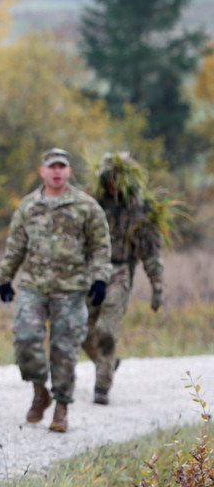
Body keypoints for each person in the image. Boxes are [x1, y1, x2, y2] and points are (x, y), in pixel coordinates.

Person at [0, 148, 111, 432]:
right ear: (43, 171)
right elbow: (15, 248)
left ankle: (61, 406)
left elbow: (100, 247)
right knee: (25, 339)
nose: (57, 172)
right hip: (34, 286)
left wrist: (100, 279)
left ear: (69, 171)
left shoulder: (86, 206)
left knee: (65, 350)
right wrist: (4, 278)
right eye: (52, 167)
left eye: (62, 167)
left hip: (71, 289)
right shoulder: (28, 206)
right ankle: (39, 391)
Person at [82, 152, 165, 405]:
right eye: (109, 179)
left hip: (120, 272)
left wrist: (157, 285)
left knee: (107, 329)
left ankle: (102, 385)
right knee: (81, 329)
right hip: (92, 271)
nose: (113, 184)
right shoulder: (91, 205)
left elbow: (150, 251)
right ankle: (108, 361)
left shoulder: (138, 211)